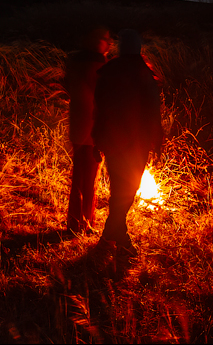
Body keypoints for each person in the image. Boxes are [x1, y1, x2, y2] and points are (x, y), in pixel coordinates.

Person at [92, 29, 163, 256]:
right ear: (138, 48)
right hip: (136, 142)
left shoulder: (108, 71)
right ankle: (116, 237)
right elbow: (153, 112)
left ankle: (111, 236)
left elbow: (99, 109)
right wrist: (157, 142)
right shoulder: (144, 74)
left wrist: (97, 140)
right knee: (127, 190)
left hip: (113, 140)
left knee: (120, 191)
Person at [63, 26, 112, 235]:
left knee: (78, 176)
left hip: (76, 124)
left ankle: (74, 221)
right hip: (93, 127)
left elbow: (67, 87)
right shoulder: (100, 64)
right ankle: (86, 222)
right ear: (96, 41)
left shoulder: (73, 62)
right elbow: (104, 95)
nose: (109, 43)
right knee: (90, 177)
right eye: (105, 39)